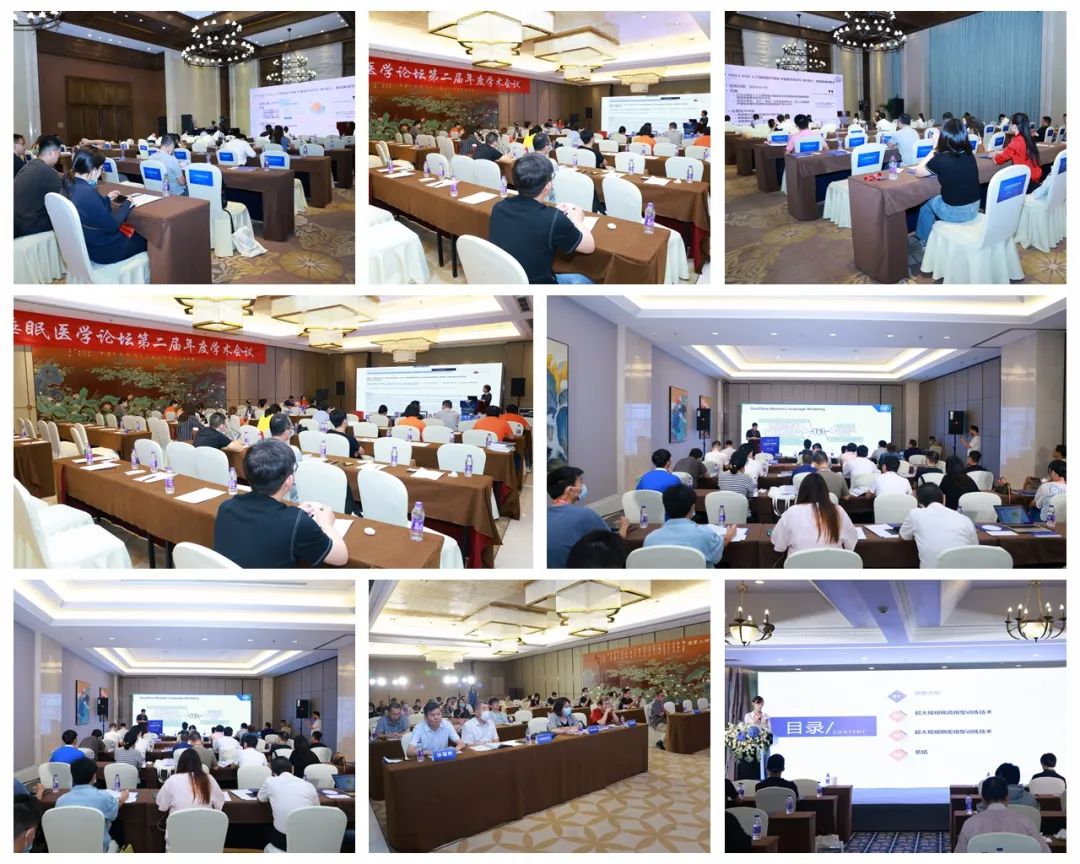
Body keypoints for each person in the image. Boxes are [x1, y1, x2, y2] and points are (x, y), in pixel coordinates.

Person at [213, 438, 348, 567]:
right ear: (289, 481)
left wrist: (295, 514)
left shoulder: (226, 507)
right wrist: (326, 523)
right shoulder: (297, 523)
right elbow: (341, 557)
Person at [488, 152, 595, 284]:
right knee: (582, 280)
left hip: (507, 279)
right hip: (537, 286)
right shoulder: (554, 219)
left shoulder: (498, 207)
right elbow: (589, 247)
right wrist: (577, 219)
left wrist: (552, 213)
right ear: (548, 186)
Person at [61, 147, 148, 264]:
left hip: (89, 245)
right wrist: (126, 205)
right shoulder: (88, 192)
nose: (101, 173)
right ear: (93, 170)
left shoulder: (69, 183)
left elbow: (90, 210)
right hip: (105, 250)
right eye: (101, 169)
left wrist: (106, 199)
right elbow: (111, 226)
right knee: (147, 240)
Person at [912, 118, 980, 248]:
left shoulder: (941, 159)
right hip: (974, 207)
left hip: (955, 212)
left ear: (944, 137)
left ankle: (924, 240)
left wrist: (934, 149)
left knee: (926, 204)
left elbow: (918, 172)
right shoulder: (969, 154)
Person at [644, 482, 732, 565]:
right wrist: (729, 535)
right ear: (692, 507)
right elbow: (716, 558)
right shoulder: (705, 534)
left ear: (665, 507)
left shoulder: (650, 539)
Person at [772, 472, 859, 555]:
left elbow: (779, 545)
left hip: (800, 564)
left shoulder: (791, 512)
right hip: (833, 563)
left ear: (801, 492)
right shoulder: (838, 510)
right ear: (825, 492)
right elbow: (851, 542)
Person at [956, 775, 1049, 852]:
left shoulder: (970, 824)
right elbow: (1045, 853)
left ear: (982, 799)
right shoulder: (1025, 822)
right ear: (1007, 797)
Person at [56, 758, 127, 851]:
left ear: (72, 776)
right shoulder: (103, 797)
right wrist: (123, 798)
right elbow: (113, 814)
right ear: (94, 776)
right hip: (99, 849)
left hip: (68, 849)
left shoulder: (60, 801)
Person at [899, 483, 978, 567]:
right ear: (944, 499)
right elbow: (976, 548)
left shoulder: (915, 514)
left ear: (919, 503)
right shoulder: (964, 519)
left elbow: (903, 536)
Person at [257, 756, 320, 851]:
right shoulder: (308, 785)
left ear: (273, 772)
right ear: (292, 769)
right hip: (310, 839)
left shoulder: (270, 781)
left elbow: (260, 799)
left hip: (283, 841)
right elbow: (317, 810)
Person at [156, 749, 227, 832]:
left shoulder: (172, 780)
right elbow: (219, 804)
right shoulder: (209, 779)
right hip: (206, 833)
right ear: (199, 764)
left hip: (178, 834)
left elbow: (162, 806)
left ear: (180, 764)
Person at [14, 134, 62, 237]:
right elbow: (63, 199)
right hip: (29, 227)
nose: (59, 157)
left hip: (16, 223)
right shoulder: (48, 172)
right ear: (52, 153)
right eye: (59, 154)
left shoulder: (28, 166)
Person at [994, 112, 1046, 191]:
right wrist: (1003, 151)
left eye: (1010, 123)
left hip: (1027, 182)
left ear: (1014, 126)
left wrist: (993, 156)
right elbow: (1016, 150)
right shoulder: (1028, 138)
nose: (1009, 125)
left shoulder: (1017, 141)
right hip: (1035, 177)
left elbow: (998, 160)